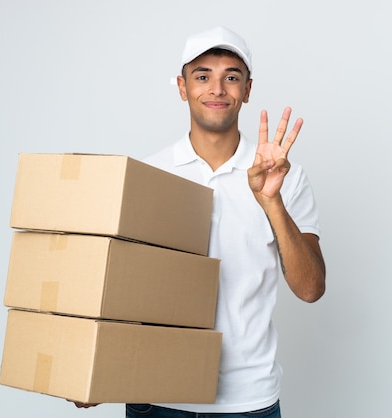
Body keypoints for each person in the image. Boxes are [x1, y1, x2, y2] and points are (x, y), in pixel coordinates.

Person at [75, 25, 326, 417]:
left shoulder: (286, 177)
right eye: (202, 76)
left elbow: (311, 289)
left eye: (231, 77)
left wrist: (271, 202)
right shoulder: (148, 174)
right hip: (156, 395)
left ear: (247, 89)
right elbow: (122, 284)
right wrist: (95, 370)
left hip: (248, 402)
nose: (217, 89)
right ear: (182, 86)